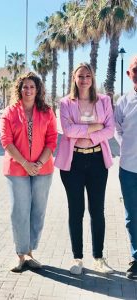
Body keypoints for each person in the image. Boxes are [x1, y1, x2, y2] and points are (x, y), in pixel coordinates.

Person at [55, 62, 115, 275]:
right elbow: (68, 131)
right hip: (73, 163)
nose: (84, 80)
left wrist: (87, 132)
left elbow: (110, 130)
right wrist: (94, 127)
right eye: (80, 76)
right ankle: (77, 258)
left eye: (87, 75)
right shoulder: (65, 103)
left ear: (92, 78)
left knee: (97, 211)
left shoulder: (104, 100)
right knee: (76, 211)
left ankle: (98, 258)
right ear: (74, 78)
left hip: (98, 161)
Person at [0, 72, 57, 272]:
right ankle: (20, 254)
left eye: (32, 87)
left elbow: (52, 140)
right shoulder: (9, 112)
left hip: (43, 169)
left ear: (38, 89)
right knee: (19, 211)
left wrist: (39, 163)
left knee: (38, 211)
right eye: (25, 87)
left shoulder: (47, 112)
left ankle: (30, 253)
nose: (29, 90)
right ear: (19, 89)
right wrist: (25, 163)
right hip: (17, 169)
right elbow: (6, 142)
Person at [114, 55, 137, 279]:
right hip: (128, 169)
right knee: (132, 216)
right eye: (135, 69)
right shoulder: (123, 101)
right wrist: (125, 145)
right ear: (129, 74)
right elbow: (116, 128)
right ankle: (136, 257)